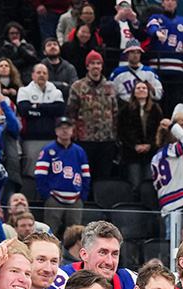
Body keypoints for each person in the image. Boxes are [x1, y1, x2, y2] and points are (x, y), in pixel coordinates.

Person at [50, 220, 137, 289]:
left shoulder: (131, 281)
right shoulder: (59, 281)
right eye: (102, 252)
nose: (109, 262)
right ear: (84, 255)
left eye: (114, 254)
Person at [66, 51, 119, 186]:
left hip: (107, 139)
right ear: (87, 66)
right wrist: (74, 135)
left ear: (102, 66)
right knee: (85, 173)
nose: (95, 66)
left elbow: (115, 112)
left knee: (104, 176)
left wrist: (115, 135)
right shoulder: (77, 87)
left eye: (98, 63)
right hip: (85, 139)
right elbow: (72, 112)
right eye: (92, 63)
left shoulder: (110, 87)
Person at [34, 116, 89, 235]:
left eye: (67, 128)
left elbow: (86, 175)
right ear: (56, 131)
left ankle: (73, 254)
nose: (65, 131)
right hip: (54, 198)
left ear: (72, 130)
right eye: (61, 128)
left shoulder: (79, 151)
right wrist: (47, 195)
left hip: (75, 198)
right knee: (49, 232)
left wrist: (82, 196)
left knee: (75, 235)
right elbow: (39, 174)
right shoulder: (48, 150)